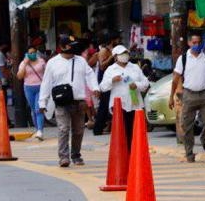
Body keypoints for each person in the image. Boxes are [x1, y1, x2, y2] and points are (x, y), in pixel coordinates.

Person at [38, 34, 98, 167]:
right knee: (63, 129)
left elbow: (90, 75)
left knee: (78, 131)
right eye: (71, 46)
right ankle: (63, 157)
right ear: (62, 47)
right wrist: (42, 102)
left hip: (79, 101)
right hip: (61, 102)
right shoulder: (53, 63)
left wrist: (95, 88)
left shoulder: (81, 61)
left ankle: (76, 154)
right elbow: (46, 83)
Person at [170, 30, 205, 162]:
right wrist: (171, 96)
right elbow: (175, 78)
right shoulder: (183, 58)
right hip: (189, 94)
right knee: (187, 125)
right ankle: (189, 153)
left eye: (198, 42)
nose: (196, 44)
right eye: (194, 42)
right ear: (189, 43)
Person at [99, 44, 150, 151]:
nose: (125, 56)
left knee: (134, 129)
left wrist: (136, 84)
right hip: (119, 105)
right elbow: (102, 87)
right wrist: (112, 80)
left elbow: (145, 83)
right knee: (121, 130)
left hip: (134, 104)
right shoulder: (111, 69)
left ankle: (134, 151)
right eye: (122, 54)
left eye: (126, 53)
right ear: (115, 56)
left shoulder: (135, 67)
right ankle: (122, 152)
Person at [17, 45, 46, 140]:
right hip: (28, 88)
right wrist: (25, 63)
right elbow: (19, 76)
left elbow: (47, 74)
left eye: (34, 52)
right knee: (33, 110)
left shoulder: (41, 61)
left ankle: (40, 130)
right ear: (27, 54)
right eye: (30, 53)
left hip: (40, 87)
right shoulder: (23, 63)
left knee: (39, 109)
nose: (32, 54)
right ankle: (38, 130)